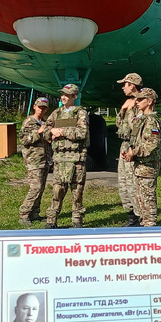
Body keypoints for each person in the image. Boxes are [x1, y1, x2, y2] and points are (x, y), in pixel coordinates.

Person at [44, 83, 88, 227]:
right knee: (57, 191)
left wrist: (62, 132)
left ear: (74, 97)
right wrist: (51, 132)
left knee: (77, 192)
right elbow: (45, 131)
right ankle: (51, 221)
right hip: (60, 159)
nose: (63, 97)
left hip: (76, 159)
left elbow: (82, 133)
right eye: (62, 94)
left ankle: (77, 221)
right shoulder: (56, 113)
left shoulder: (80, 113)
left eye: (67, 95)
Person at [122, 88, 161, 226]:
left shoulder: (151, 121)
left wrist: (134, 152)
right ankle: (144, 225)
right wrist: (130, 152)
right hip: (140, 166)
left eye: (140, 99)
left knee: (148, 200)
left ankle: (150, 228)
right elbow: (137, 140)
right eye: (137, 99)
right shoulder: (142, 119)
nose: (137, 102)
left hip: (148, 166)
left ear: (149, 101)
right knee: (140, 200)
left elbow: (152, 144)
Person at [18, 97, 53, 225]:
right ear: (34, 107)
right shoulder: (29, 122)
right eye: (39, 107)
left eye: (44, 108)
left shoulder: (44, 122)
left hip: (45, 159)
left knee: (41, 188)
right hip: (33, 160)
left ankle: (35, 213)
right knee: (35, 187)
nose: (41, 110)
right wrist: (38, 132)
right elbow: (24, 140)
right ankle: (24, 213)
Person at [115, 73, 142, 225]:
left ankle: (140, 215)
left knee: (133, 183)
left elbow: (139, 127)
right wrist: (123, 109)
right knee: (123, 182)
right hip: (124, 144)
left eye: (124, 84)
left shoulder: (142, 102)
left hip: (134, 145)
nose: (123, 87)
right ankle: (131, 215)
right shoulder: (128, 102)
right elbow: (119, 124)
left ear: (132, 85)